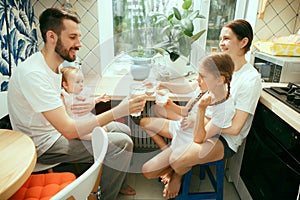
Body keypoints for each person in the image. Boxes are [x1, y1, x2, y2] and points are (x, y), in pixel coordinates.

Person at [7, 8, 145, 199]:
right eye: (72, 37)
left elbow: (60, 110)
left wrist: (85, 108)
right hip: (44, 145)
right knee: (121, 144)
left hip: (57, 131)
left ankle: (115, 180)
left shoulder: (54, 68)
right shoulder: (34, 74)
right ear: (51, 36)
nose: (79, 44)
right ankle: (105, 196)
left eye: (78, 37)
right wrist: (118, 110)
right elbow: (70, 131)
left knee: (125, 131)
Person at [141, 19, 262, 199]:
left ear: (243, 42)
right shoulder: (218, 66)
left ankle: (176, 174)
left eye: (227, 38)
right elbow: (191, 86)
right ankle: (173, 156)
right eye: (220, 38)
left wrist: (200, 119)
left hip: (223, 138)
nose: (222, 43)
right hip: (199, 127)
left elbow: (236, 128)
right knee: (148, 120)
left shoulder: (250, 79)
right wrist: (160, 84)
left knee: (179, 160)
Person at [141, 52, 236, 198]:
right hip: (180, 128)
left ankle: (176, 174)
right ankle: (170, 164)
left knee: (149, 170)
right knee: (144, 122)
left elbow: (199, 139)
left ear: (219, 79)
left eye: (202, 76)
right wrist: (169, 104)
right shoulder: (204, 90)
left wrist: (201, 110)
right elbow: (186, 111)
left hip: (188, 141)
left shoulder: (224, 108)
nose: (198, 80)